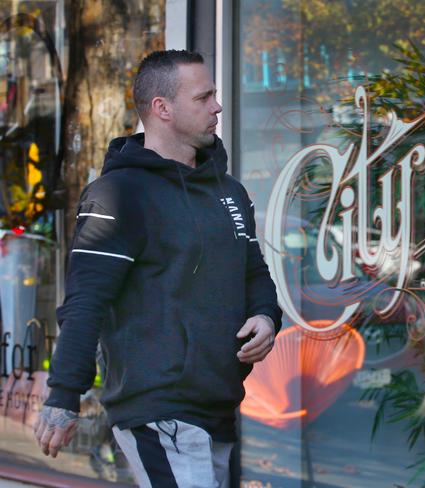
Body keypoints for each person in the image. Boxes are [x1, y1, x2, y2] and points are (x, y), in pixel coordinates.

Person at [33, 50, 282, 487]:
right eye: (203, 97)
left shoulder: (229, 191)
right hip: (158, 408)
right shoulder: (118, 195)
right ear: (161, 109)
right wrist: (64, 395)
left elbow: (253, 272)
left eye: (215, 96)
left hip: (218, 404)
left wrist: (265, 316)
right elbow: (86, 301)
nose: (217, 107)